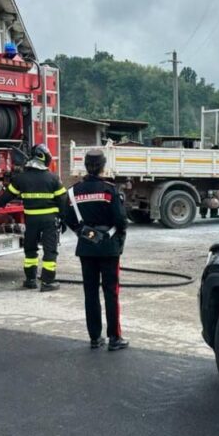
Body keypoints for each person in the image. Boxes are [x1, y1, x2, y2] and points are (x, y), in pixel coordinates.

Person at [63, 149, 130, 351]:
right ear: (103, 166)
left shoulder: (73, 192)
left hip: (86, 247)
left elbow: (68, 218)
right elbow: (121, 220)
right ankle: (114, 338)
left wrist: (85, 233)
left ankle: (95, 337)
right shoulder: (110, 191)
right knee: (111, 293)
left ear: (85, 166)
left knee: (90, 293)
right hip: (109, 247)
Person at [0, 143, 65, 291]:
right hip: (49, 220)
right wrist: (64, 220)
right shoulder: (53, 178)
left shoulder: (21, 178)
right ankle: (47, 282)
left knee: (30, 249)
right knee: (50, 250)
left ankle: (31, 280)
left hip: (31, 220)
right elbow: (63, 202)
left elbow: (6, 197)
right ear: (45, 158)